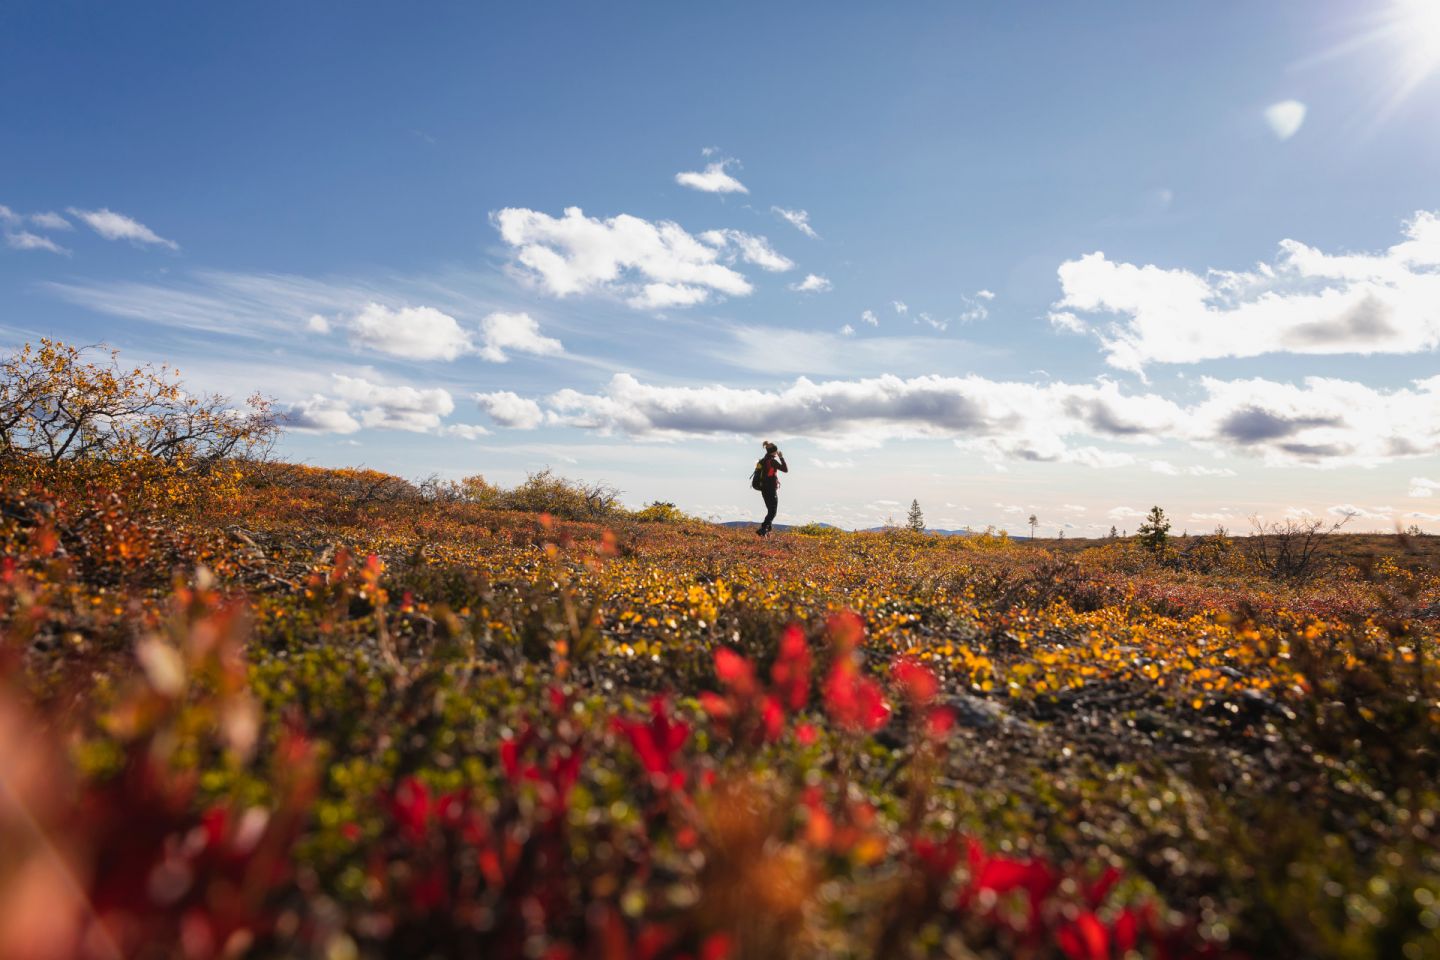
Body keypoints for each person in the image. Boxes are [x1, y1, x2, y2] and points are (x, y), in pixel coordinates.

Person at [756, 440, 788, 536]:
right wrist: (781, 457)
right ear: (774, 452)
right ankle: (763, 529)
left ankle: (767, 531)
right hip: (770, 489)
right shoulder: (772, 461)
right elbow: (785, 469)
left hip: (763, 489)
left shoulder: (762, 461)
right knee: (773, 512)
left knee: (770, 510)